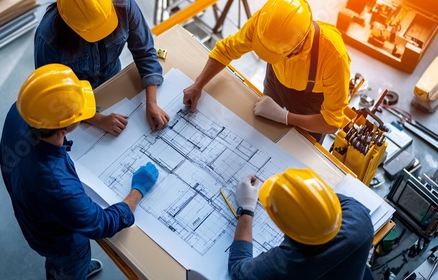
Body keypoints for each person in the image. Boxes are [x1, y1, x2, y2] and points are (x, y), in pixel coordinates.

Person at [0, 64, 159, 279]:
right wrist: (137, 192)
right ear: (63, 129)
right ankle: (74, 272)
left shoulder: (22, 110)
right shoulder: (58, 186)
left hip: (29, 208)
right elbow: (101, 224)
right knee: (69, 267)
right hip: (61, 243)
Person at [183, 0, 351, 143]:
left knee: (297, 151)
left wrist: (285, 117)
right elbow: (226, 50)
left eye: (277, 54)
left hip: (310, 105)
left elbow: (331, 122)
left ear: (299, 45)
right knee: (263, 139)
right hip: (275, 82)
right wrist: (198, 85)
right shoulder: (265, 25)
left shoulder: (334, 57)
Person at [34, 0, 169, 136]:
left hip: (112, 79)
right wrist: (100, 120)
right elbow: (54, 94)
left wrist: (151, 102)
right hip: (76, 99)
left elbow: (144, 52)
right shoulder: (48, 37)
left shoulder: (124, 5)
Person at [229, 168, 374, 279]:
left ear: (282, 226)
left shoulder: (284, 265)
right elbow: (325, 199)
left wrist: (246, 209)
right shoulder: (360, 218)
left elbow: (237, 268)